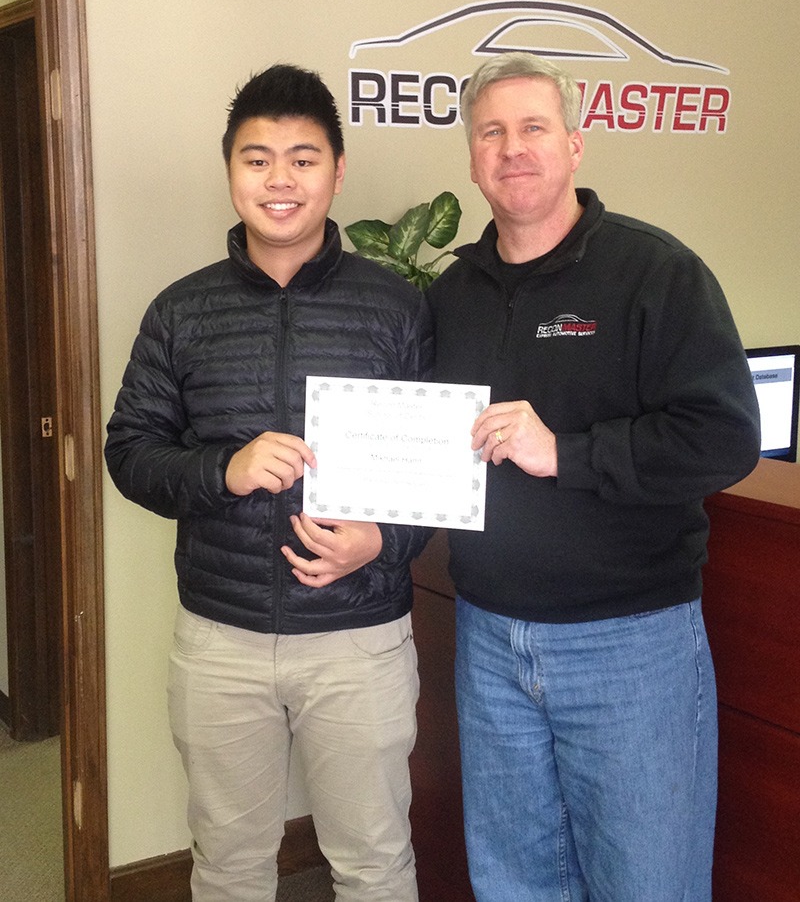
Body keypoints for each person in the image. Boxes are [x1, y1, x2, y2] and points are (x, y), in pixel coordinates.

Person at [425, 52, 761, 902]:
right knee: (514, 882)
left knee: (647, 882)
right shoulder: (452, 293)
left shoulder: (655, 273)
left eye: (534, 128)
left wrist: (567, 452)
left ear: (576, 145)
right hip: (490, 639)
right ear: (471, 157)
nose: (513, 149)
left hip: (629, 644)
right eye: (492, 132)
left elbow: (724, 438)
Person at [105, 63, 432, 902]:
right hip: (222, 640)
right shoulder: (181, 312)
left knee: (374, 860)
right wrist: (225, 467)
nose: (279, 180)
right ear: (230, 170)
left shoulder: (396, 308)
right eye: (257, 159)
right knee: (229, 860)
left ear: (337, 169)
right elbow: (131, 453)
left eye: (302, 158)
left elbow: (440, 471)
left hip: (360, 639)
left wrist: (382, 542)